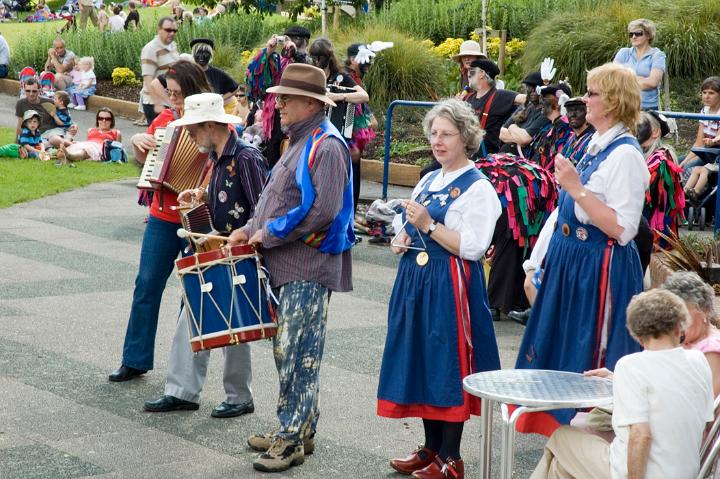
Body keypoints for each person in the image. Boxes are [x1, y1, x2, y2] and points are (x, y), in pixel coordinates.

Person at [229, 63, 354, 473]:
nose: (279, 104)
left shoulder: (327, 146)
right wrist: (249, 229)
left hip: (308, 266)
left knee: (295, 351)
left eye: (287, 98)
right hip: (292, 265)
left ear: (311, 104)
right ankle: (300, 429)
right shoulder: (301, 141)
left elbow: (323, 211)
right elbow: (274, 200)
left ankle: (290, 437)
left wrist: (268, 234)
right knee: (294, 351)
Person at [515, 63, 649, 436]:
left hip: (598, 266)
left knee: (589, 347)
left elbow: (623, 229)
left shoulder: (625, 155)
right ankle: (558, 429)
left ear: (614, 101)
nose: (584, 100)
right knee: (560, 342)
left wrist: (576, 187)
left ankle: (589, 435)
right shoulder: (594, 143)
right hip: (571, 259)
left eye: (592, 93)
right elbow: (563, 212)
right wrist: (536, 260)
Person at [378, 98, 501, 479]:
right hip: (416, 279)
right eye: (434, 133)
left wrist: (429, 225)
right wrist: (402, 235)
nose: (438, 141)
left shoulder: (478, 188)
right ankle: (430, 449)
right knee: (420, 357)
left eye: (446, 134)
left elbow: (473, 247)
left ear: (466, 138)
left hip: (450, 281)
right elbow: (409, 223)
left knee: (447, 361)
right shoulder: (430, 179)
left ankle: (451, 458)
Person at [143, 93, 267, 416]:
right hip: (215, 249)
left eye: (193, 129)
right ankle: (183, 391)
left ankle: (239, 396)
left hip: (238, 252)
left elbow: (263, 209)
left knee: (236, 326)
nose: (190, 135)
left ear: (211, 125)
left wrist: (245, 239)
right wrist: (200, 196)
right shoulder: (217, 156)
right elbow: (224, 199)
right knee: (194, 316)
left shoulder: (246, 157)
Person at [530, 288, 714, 479]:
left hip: (634, 471)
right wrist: (617, 378)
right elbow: (703, 422)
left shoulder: (631, 366)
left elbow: (641, 435)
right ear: (679, 328)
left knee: (562, 436)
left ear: (638, 337)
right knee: (561, 467)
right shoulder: (699, 361)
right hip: (686, 471)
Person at [108, 61, 212, 383]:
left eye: (177, 94)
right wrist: (139, 144)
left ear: (193, 90)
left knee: (193, 292)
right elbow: (145, 162)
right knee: (147, 284)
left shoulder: (214, 122)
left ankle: (183, 373)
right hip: (162, 214)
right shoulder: (165, 120)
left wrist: (204, 189)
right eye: (170, 93)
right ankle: (134, 359)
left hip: (198, 218)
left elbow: (224, 164)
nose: (172, 99)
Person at [309, 38, 369, 211]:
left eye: (319, 57)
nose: (316, 62)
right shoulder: (312, 77)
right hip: (316, 134)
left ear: (328, 57)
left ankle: (348, 212)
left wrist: (339, 97)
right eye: (313, 57)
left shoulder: (341, 78)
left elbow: (363, 96)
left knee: (348, 174)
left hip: (340, 133)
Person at [245, 25, 312, 169]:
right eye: (288, 38)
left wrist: (295, 54)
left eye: (297, 39)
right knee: (272, 154)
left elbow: (306, 75)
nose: (291, 42)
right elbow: (255, 78)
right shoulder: (278, 61)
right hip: (275, 115)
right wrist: (268, 51)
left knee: (293, 159)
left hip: (298, 115)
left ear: (306, 42)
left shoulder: (310, 62)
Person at [661, 271, 720, 397]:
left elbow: (709, 401)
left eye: (683, 314)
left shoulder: (712, 350)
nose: (676, 321)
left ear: (704, 310)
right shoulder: (685, 340)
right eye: (672, 314)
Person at [635, 111, 685, 244]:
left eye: (640, 126)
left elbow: (650, 197)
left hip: (654, 231)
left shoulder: (661, 159)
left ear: (655, 132)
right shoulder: (640, 155)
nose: (634, 130)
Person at [344, 43, 377, 213]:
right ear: (352, 60)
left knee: (354, 181)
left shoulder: (356, 78)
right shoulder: (345, 78)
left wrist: (369, 116)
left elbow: (362, 105)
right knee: (349, 183)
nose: (368, 62)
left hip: (354, 142)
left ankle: (351, 216)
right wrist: (352, 142)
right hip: (347, 142)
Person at [613, 18, 666, 110]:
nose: (634, 37)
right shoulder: (624, 52)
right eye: (631, 34)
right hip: (624, 105)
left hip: (648, 108)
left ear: (648, 35)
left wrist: (625, 81)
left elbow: (652, 82)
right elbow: (613, 79)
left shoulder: (657, 55)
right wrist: (641, 79)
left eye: (638, 33)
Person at [140, 17, 179, 124]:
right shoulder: (151, 49)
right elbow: (148, 79)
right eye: (168, 30)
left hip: (169, 101)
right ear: (159, 30)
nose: (172, 33)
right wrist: (157, 104)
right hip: (155, 104)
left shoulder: (172, 45)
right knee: (158, 133)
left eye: (174, 30)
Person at [499, 71, 549, 156]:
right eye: (529, 87)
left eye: (536, 87)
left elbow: (525, 139)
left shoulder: (545, 112)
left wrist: (512, 127)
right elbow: (502, 133)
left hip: (524, 158)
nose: (532, 90)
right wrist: (519, 138)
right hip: (505, 155)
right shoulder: (525, 106)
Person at [679, 76, 720, 176]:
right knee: (680, 160)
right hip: (705, 151)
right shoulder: (704, 111)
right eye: (704, 92)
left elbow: (715, 143)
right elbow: (699, 143)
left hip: (715, 155)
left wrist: (688, 163)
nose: (706, 96)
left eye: (711, 93)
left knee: (687, 168)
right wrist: (685, 161)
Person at [527, 82, 572, 171]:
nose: (541, 102)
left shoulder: (565, 130)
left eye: (545, 98)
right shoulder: (549, 128)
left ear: (558, 102)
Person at [190, 38, 240, 114]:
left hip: (213, 113)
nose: (201, 56)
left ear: (210, 55)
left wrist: (219, 99)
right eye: (198, 52)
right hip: (193, 113)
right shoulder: (188, 73)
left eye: (205, 52)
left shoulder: (218, 73)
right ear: (193, 55)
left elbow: (235, 88)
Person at [558, 96, 595, 165]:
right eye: (570, 111)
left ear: (587, 113)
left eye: (578, 110)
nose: (573, 115)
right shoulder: (571, 138)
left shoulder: (593, 139)